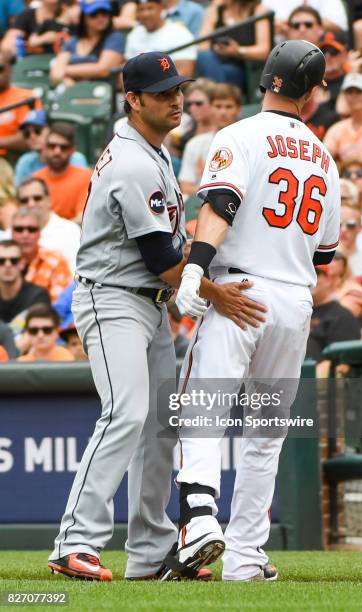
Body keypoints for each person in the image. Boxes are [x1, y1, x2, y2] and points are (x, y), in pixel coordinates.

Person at [48, 52, 265, 582]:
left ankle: (149, 551)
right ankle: (74, 541)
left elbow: (169, 254)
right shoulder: (133, 161)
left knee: (160, 426)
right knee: (125, 413)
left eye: (178, 90)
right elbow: (162, 261)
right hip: (114, 297)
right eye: (164, 93)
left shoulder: (154, 151)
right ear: (133, 100)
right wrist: (214, 292)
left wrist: (198, 285)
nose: (177, 100)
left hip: (150, 304)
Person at [161, 40, 340, 582]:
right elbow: (326, 254)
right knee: (266, 436)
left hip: (239, 292)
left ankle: (198, 520)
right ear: (311, 92)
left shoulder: (239, 135)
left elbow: (221, 204)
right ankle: (245, 556)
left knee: (203, 413)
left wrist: (196, 267)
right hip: (294, 300)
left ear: (266, 80)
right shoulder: (325, 157)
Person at [179, 83, 242, 196]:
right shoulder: (195, 143)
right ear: (210, 108)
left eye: (228, 106)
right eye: (218, 106)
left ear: (238, 109)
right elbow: (185, 186)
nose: (223, 112)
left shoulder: (248, 143)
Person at [196, 0, 271, 90]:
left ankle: (216, 98)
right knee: (206, 56)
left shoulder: (258, 9)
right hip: (216, 62)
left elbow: (264, 50)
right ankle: (218, 95)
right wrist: (213, 10)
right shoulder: (215, 10)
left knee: (225, 72)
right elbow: (202, 47)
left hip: (246, 68)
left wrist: (237, 51)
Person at [50, 0, 125, 87]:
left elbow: (104, 70)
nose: (100, 18)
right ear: (84, 17)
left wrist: (65, 70)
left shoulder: (115, 37)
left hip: (102, 91)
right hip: (73, 93)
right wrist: (65, 80)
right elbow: (55, 74)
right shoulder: (73, 41)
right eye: (94, 14)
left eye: (104, 13)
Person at [306, 265, 362, 377]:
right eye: (306, 274)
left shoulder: (341, 316)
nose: (309, 279)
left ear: (329, 279)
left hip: (313, 380)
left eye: (316, 274)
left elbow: (342, 365)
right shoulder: (296, 313)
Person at [16, 177, 81, 273]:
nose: (31, 204)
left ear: (49, 200)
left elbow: (75, 276)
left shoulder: (70, 231)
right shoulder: (11, 234)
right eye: (24, 200)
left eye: (37, 198)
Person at [33, 123, 93, 222]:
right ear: (44, 148)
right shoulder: (36, 179)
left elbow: (82, 219)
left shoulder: (85, 177)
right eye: (52, 146)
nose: (57, 151)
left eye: (63, 147)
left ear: (72, 150)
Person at [12, 207, 72, 301]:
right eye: (19, 229)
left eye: (31, 229)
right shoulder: (4, 260)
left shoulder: (55, 261)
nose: (25, 235)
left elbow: (60, 305)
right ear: (11, 233)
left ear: (40, 233)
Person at [125, 0, 197, 78]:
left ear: (161, 8)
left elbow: (184, 73)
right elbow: (125, 71)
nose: (145, 14)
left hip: (169, 88)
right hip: (138, 88)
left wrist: (154, 89)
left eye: (150, 8)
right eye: (141, 10)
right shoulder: (135, 33)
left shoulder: (180, 33)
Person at [15, 111, 88, 186]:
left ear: (50, 130)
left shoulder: (75, 158)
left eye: (37, 131)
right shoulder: (25, 161)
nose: (32, 137)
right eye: (27, 133)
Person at [0, 50, 42, 158]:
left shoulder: (25, 97)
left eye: (0, 69)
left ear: (10, 69)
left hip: (8, 159)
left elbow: (30, 138)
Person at [0, 239, 50, 323]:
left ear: (22, 263)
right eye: (1, 261)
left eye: (14, 261)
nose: (8, 265)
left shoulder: (38, 295)